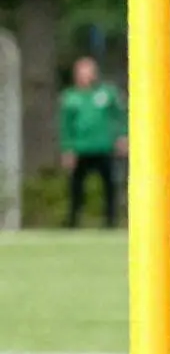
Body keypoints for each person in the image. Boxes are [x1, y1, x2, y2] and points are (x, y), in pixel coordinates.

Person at [59, 57, 126, 230]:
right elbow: (66, 125)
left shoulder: (107, 94)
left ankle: (110, 221)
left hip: (103, 147)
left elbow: (120, 116)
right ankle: (73, 221)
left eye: (88, 72)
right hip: (81, 149)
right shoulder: (70, 97)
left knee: (110, 185)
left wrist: (122, 136)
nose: (85, 76)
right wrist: (67, 149)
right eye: (82, 72)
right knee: (76, 188)